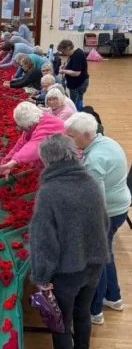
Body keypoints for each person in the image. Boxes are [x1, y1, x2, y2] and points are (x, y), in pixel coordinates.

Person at [29, 134, 110, 349]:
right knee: (82, 314)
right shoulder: (91, 182)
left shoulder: (49, 192)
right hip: (94, 266)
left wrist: (41, 276)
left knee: (61, 325)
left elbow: (44, 241)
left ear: (46, 160)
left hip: (66, 273)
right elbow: (105, 222)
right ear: (73, 153)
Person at [65, 113, 131, 325]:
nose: (68, 138)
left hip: (108, 211)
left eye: (71, 135)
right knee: (106, 253)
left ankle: (95, 311)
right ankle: (113, 297)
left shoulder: (94, 160)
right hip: (120, 205)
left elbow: (96, 202)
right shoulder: (107, 142)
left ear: (85, 135)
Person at [0, 102, 65, 182]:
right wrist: (5, 163)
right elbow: (21, 144)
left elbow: (34, 146)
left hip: (64, 164)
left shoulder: (48, 124)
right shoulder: (34, 122)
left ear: (28, 125)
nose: (22, 129)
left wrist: (13, 162)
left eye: (22, 127)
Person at [57, 39, 90, 111]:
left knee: (75, 103)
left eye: (63, 51)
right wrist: (64, 67)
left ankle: (78, 115)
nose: (63, 53)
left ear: (68, 48)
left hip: (79, 83)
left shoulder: (77, 55)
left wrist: (64, 71)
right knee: (78, 101)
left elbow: (77, 72)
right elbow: (71, 65)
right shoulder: (73, 54)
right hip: (76, 83)